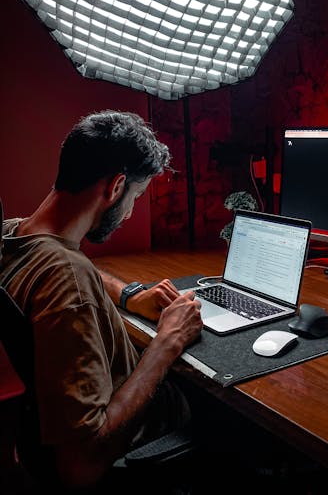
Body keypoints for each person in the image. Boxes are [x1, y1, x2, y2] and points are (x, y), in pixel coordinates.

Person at [0, 110, 203, 491]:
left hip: (39, 429)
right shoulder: (67, 280)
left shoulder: (14, 235)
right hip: (134, 439)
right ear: (115, 187)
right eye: (136, 197)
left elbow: (69, 269)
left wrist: (129, 296)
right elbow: (81, 467)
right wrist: (168, 341)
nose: (128, 214)